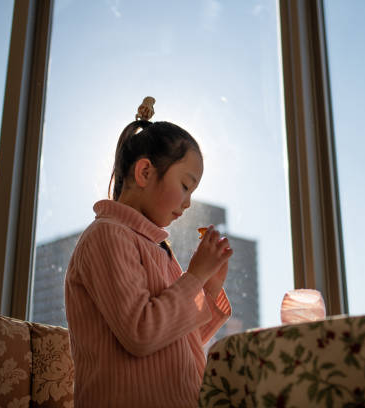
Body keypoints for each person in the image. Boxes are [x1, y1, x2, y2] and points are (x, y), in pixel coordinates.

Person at [65, 97, 232, 407]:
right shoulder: (108, 236)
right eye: (185, 185)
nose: (187, 203)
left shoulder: (158, 248)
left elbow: (180, 337)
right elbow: (141, 332)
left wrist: (209, 286)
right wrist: (194, 277)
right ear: (144, 172)